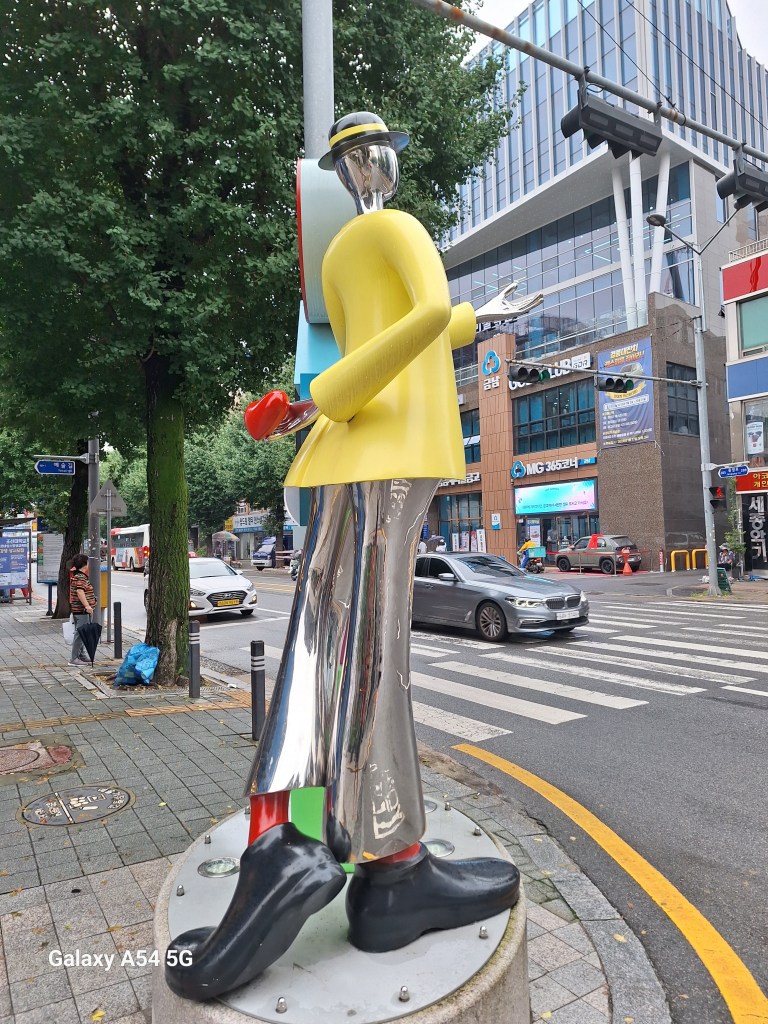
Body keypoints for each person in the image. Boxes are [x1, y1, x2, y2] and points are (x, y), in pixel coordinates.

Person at [165, 111, 520, 1001]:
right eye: (368, 154)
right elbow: (420, 316)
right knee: (374, 658)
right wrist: (326, 392)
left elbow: (401, 332)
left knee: (324, 644)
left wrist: (476, 320)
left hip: (343, 458)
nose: (378, 164)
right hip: (393, 452)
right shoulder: (398, 230)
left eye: (378, 150)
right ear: (360, 167)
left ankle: (288, 836)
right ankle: (384, 871)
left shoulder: (335, 260)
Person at [67, 554, 95, 666]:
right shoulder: (80, 577)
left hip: (80, 610)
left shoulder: (78, 575)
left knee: (82, 633)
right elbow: (80, 591)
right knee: (80, 634)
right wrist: (87, 606)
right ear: (84, 564)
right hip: (81, 610)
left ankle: (81, 655)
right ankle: (74, 658)